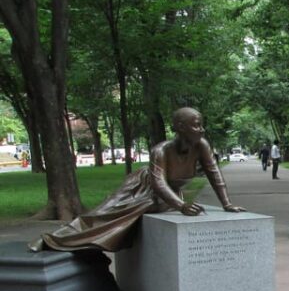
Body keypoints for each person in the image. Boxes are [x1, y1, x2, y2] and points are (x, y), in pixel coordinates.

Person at [29, 107, 245, 253]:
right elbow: (158, 182)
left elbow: (214, 173)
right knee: (103, 216)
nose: (201, 129)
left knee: (136, 214)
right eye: (196, 125)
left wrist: (226, 204)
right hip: (142, 188)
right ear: (179, 127)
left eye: (201, 125)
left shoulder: (202, 146)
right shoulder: (161, 150)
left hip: (166, 196)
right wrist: (181, 205)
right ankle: (52, 239)